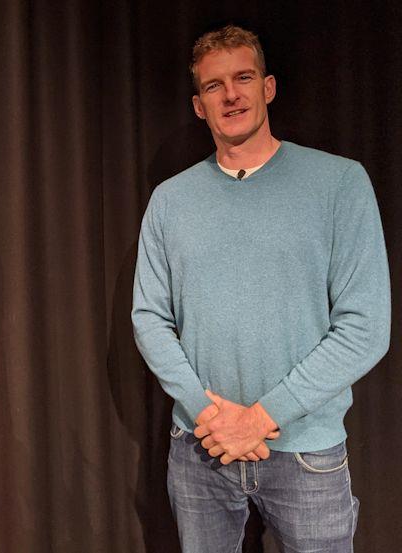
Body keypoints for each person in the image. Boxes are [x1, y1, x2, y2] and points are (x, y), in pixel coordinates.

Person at [131, 25, 390, 552]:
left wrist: (259, 419)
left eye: (243, 77)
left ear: (267, 87)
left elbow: (365, 328)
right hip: (201, 450)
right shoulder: (169, 201)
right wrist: (212, 418)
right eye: (213, 85)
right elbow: (149, 320)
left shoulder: (339, 184)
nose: (231, 94)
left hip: (306, 453)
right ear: (199, 105)